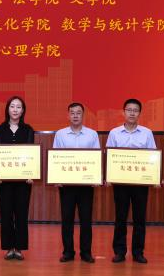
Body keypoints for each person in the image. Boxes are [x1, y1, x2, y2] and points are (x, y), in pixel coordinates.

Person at [105, 98, 157, 264]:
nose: (132, 113)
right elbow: (109, 156)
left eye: (135, 110)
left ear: (139, 113)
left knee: (139, 218)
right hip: (120, 183)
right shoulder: (114, 133)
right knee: (120, 217)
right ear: (124, 112)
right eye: (129, 110)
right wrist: (108, 176)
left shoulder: (147, 133)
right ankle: (120, 252)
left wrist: (154, 178)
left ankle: (138, 252)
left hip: (140, 183)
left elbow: (153, 157)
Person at [53, 102, 101, 264]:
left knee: (86, 220)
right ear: (68, 115)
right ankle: (68, 252)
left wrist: (96, 177)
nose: (75, 115)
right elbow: (56, 157)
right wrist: (56, 178)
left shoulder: (92, 134)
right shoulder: (60, 134)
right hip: (66, 185)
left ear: (83, 115)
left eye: (78, 113)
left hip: (86, 185)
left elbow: (96, 157)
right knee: (67, 219)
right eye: (72, 113)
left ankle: (86, 253)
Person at [0, 96, 35, 261]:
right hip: (3, 180)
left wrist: (31, 174)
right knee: (6, 213)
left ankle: (19, 248)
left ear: (23, 110)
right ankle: (8, 247)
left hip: (23, 181)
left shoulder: (28, 129)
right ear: (8, 109)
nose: (15, 109)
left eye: (19, 107)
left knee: (21, 213)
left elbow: (31, 153)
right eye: (12, 106)